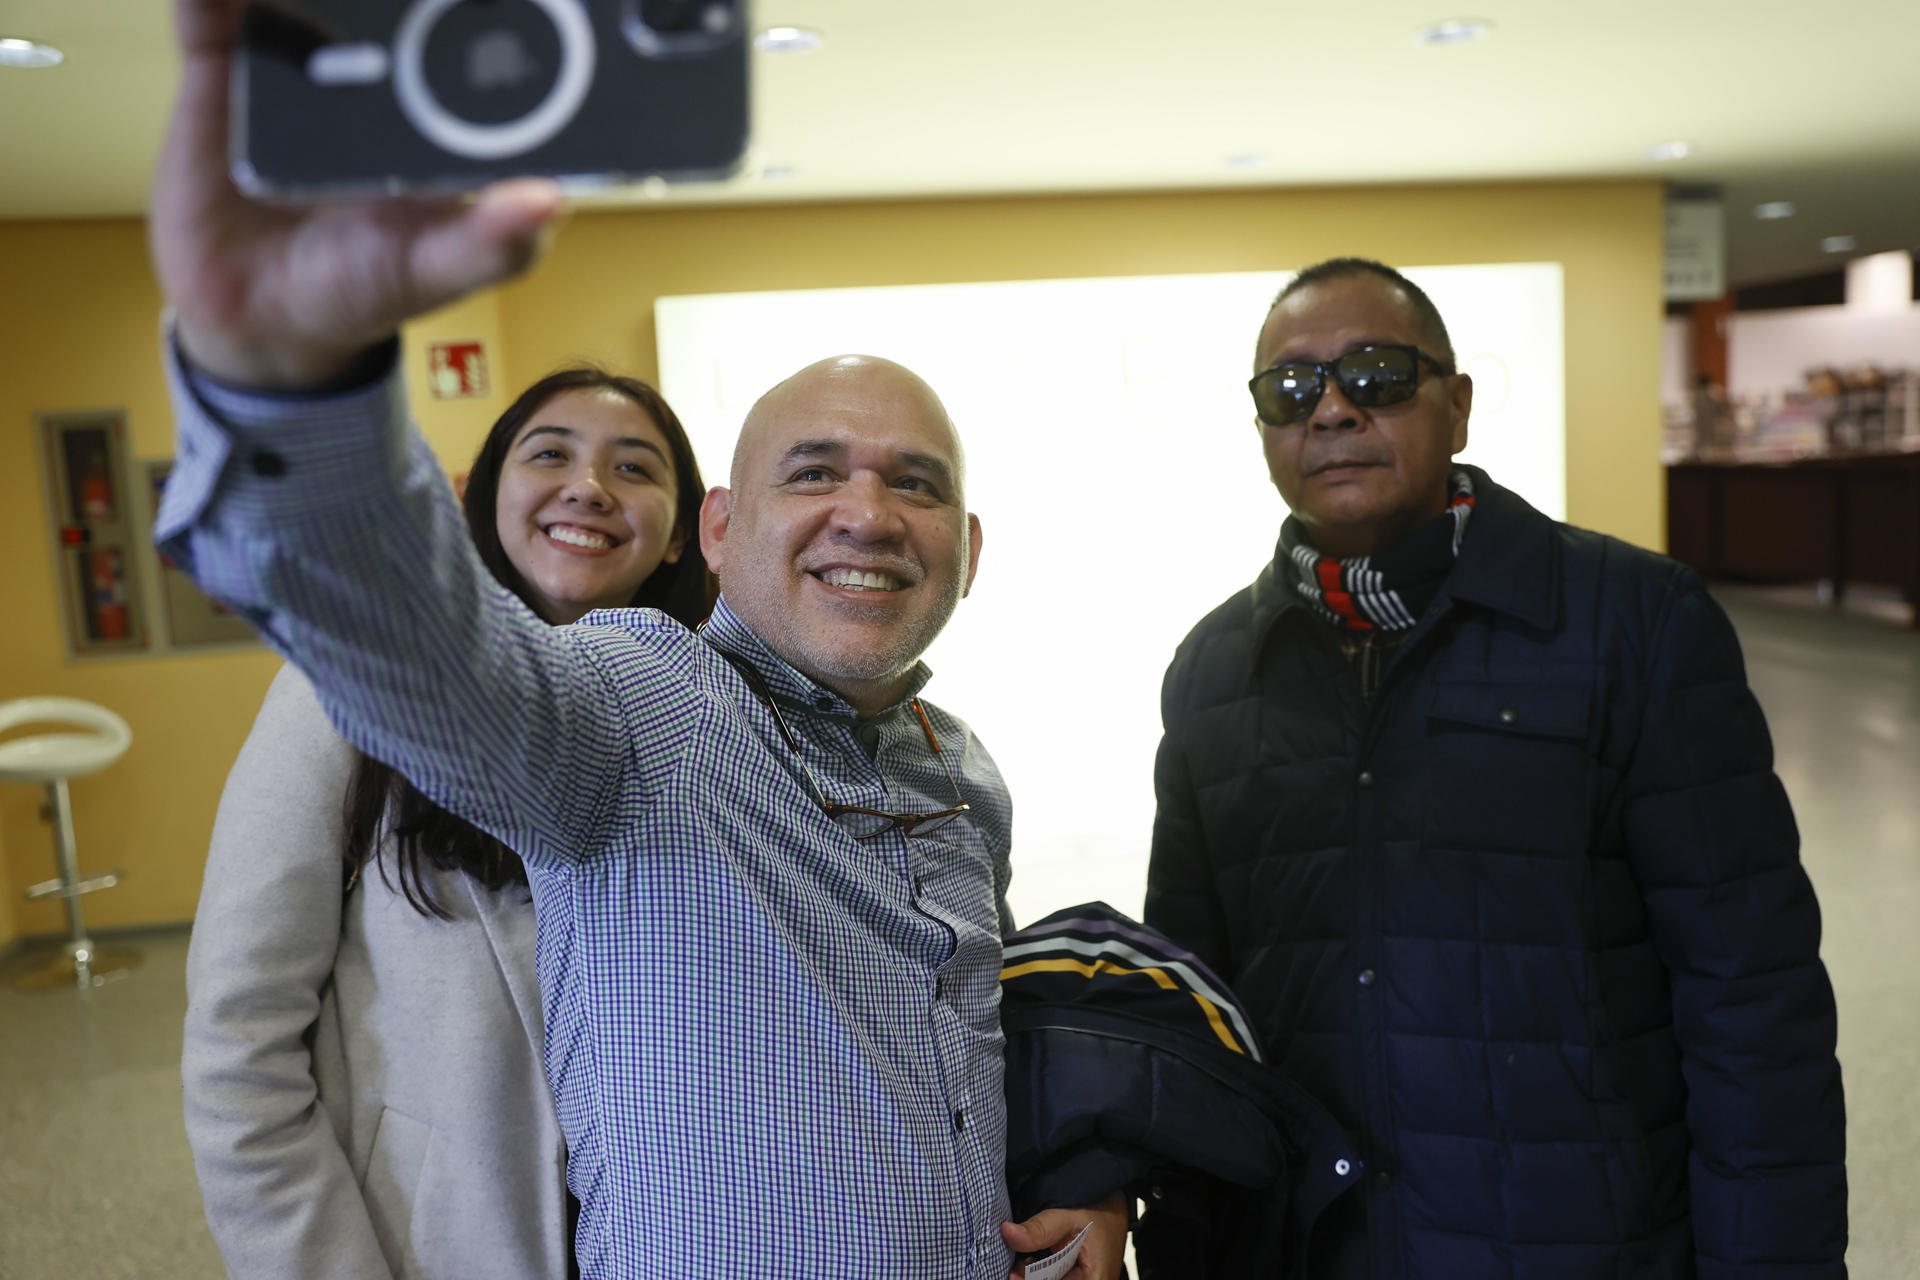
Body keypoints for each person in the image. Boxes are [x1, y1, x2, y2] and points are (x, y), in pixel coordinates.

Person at [149, 2, 1124, 1274]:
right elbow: (422, 641)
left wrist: (1075, 1192)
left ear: (972, 548)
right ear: (717, 530)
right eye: (815, 471)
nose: (869, 513)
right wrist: (292, 385)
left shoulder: (965, 770)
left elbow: (959, 1058)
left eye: (919, 484)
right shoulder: (642, 701)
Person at [1145, 257, 1847, 1278]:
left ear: (1458, 404)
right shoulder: (1214, 671)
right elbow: (1189, 1022)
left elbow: (1752, 999)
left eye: (1378, 374)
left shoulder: (1635, 623)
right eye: (1292, 388)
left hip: (1586, 1246)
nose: (1333, 410)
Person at [181, 367, 714, 1280]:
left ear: (680, 537)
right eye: (551, 454)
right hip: (440, 1244)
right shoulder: (340, 694)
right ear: (484, 494)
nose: (589, 486)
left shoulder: (716, 721)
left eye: (635, 468)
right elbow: (239, 1041)